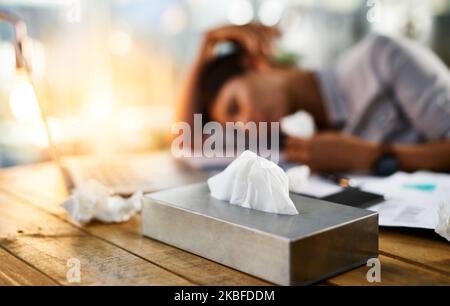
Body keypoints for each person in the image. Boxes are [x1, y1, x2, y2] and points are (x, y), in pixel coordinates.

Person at [177, 24, 450, 174]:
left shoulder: (381, 58)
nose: (246, 125)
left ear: (255, 63)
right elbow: (185, 139)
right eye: (234, 127)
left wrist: (370, 156)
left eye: (235, 107)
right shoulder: (291, 141)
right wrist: (206, 43)